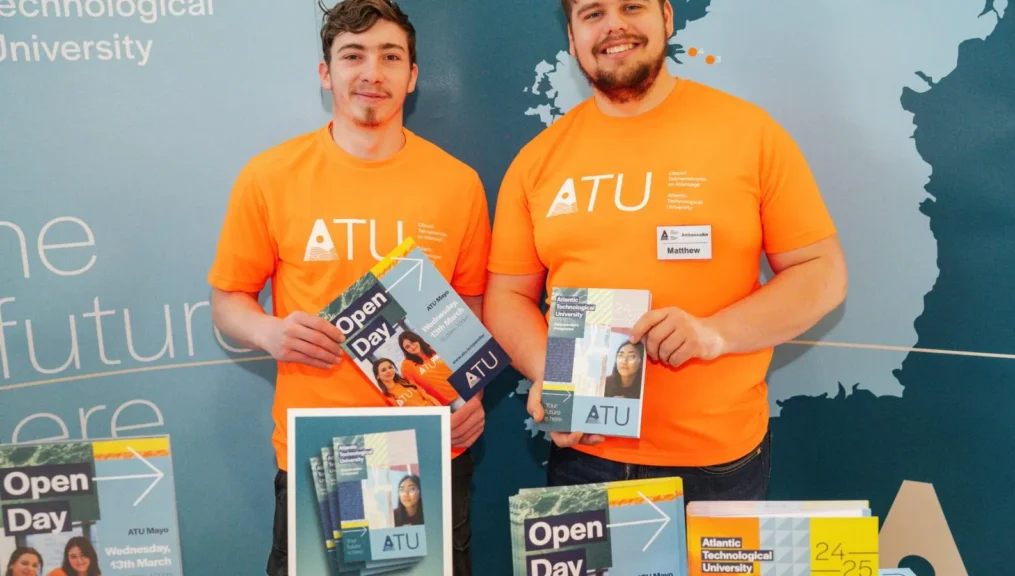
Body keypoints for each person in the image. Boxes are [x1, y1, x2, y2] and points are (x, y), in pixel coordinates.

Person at [483, 0, 847, 500]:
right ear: (571, 38)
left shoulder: (749, 134)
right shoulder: (537, 161)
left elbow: (822, 271)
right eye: (592, 14)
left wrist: (714, 334)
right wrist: (555, 374)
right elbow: (507, 295)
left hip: (717, 463)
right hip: (584, 456)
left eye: (632, 6)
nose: (614, 24)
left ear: (667, 17)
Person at [207, 1, 489, 574]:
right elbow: (227, 300)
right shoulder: (270, 177)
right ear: (325, 72)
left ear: (412, 76)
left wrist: (473, 396)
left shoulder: (458, 185)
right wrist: (268, 330)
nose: (372, 73)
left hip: (429, 452)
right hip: (321, 453)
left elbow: (471, 311)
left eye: (391, 57)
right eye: (353, 55)